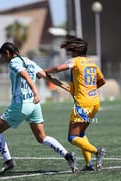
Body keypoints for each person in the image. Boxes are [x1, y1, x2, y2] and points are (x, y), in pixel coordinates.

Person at [0, 42, 77, 173]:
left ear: (7, 53)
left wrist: (36, 92)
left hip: (21, 104)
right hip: (34, 106)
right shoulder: (30, 62)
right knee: (42, 137)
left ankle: (8, 161)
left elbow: (26, 76)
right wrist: (66, 87)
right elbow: (48, 77)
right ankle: (68, 156)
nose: (4, 60)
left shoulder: (13, 63)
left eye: (3, 57)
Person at [44, 37, 106, 171]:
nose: (70, 53)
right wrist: (90, 90)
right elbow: (102, 81)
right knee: (81, 133)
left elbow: (59, 68)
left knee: (72, 137)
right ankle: (89, 164)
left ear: (76, 51)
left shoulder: (75, 61)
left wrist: (46, 71)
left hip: (83, 104)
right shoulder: (91, 62)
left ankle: (97, 152)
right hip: (94, 102)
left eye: (71, 50)